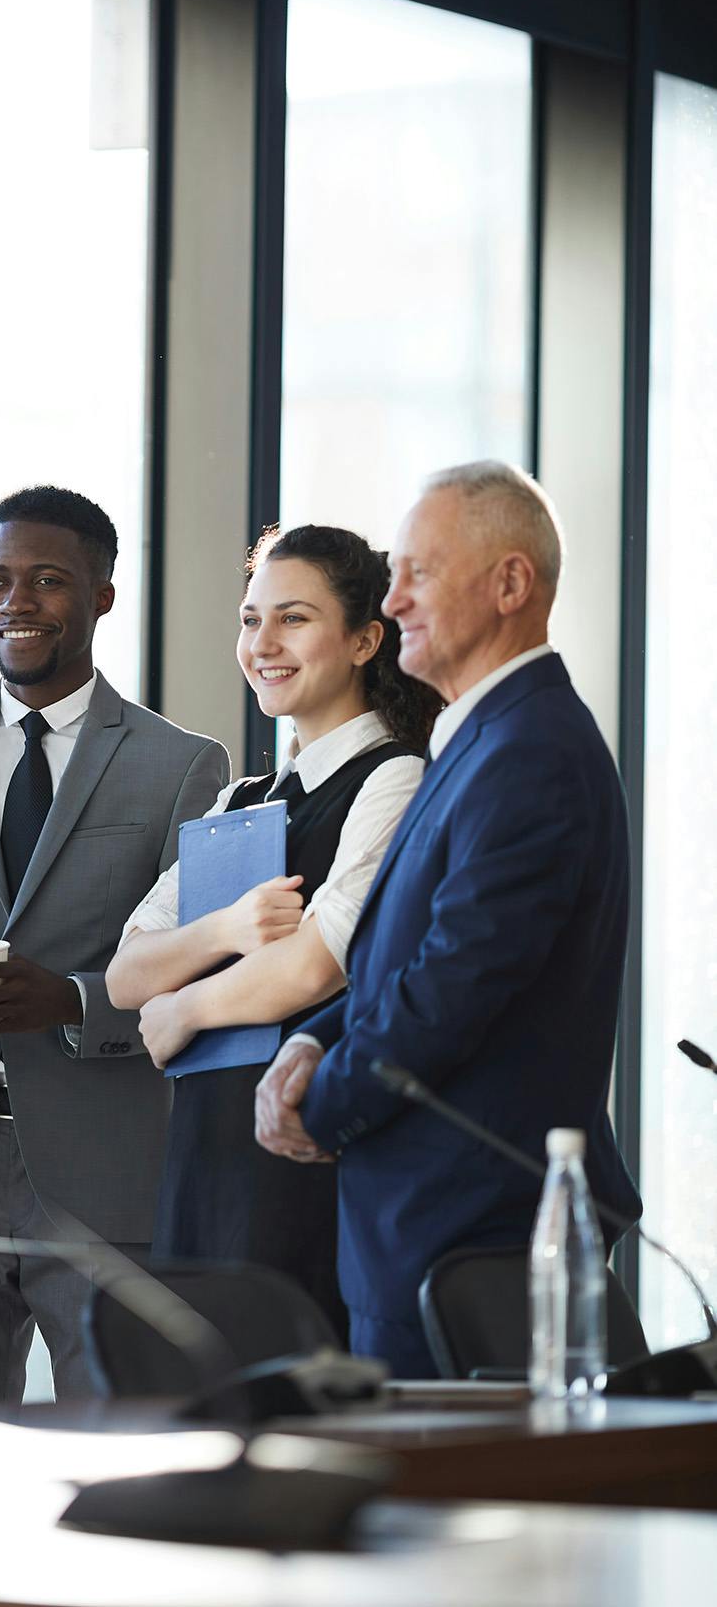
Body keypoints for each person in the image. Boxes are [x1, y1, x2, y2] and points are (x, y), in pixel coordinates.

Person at [255, 462, 642, 1377]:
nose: (394, 600)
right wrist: (313, 1038)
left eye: (419, 573)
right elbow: (407, 950)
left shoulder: (532, 751)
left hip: (473, 1241)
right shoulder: (478, 738)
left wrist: (326, 1102)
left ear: (510, 584)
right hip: (426, 1232)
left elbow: (454, 986)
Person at [0, 485, 229, 1401]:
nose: (15, 602)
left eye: (48, 580)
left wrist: (69, 999)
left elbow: (205, 967)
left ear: (102, 594)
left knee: (123, 1447)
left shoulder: (182, 764)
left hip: (110, 1180)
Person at [106, 525, 440, 1336]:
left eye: (293, 619)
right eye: (251, 620)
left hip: (299, 1146)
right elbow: (123, 974)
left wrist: (183, 1010)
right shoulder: (244, 799)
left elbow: (316, 967)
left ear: (366, 639)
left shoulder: (394, 778)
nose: (263, 644)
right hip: (204, 1150)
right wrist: (228, 926)